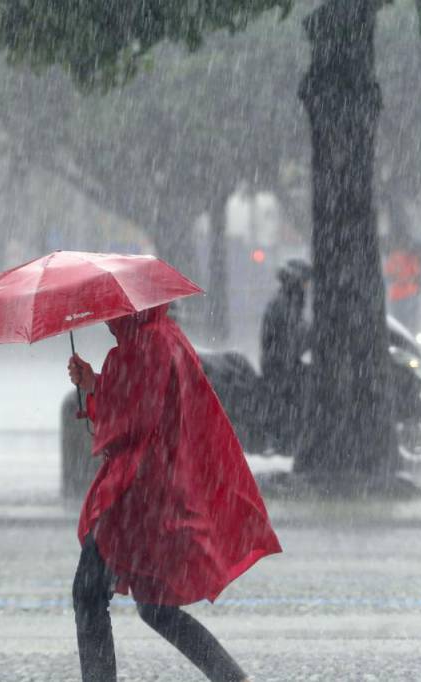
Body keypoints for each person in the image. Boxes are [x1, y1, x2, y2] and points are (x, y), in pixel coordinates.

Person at [67, 305, 281, 682]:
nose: (104, 316)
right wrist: (96, 384)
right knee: (156, 606)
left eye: (111, 309)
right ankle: (232, 678)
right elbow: (145, 407)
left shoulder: (142, 346)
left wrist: (100, 392)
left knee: (89, 592)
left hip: (136, 497)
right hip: (161, 491)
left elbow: (133, 421)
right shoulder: (164, 337)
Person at [258, 259, 312, 451]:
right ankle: (286, 442)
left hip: (281, 363)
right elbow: (291, 339)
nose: (307, 287)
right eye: (305, 282)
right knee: (293, 400)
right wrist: (313, 335)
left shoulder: (287, 301)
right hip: (280, 367)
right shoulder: (284, 304)